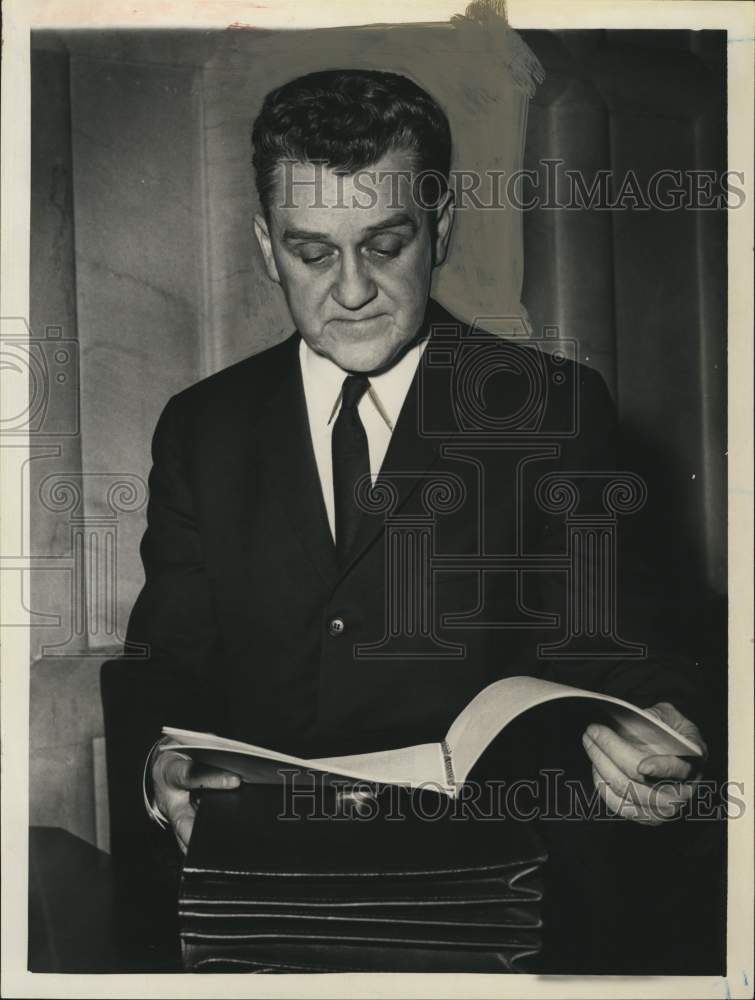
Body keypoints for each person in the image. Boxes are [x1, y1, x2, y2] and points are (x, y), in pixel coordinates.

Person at [114, 69, 705, 885]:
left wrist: (663, 728)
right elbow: (163, 667)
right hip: (265, 879)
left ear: (441, 229)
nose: (351, 291)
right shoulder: (201, 426)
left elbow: (624, 649)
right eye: (311, 252)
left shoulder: (551, 409)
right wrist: (160, 771)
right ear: (264, 249)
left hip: (492, 883)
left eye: (385, 247)